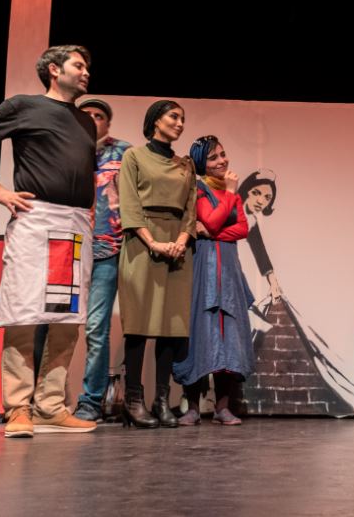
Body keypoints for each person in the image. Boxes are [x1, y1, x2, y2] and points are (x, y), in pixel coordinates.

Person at [0, 45, 98, 437]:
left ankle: (50, 406)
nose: (86, 71)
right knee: (24, 312)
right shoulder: (24, 106)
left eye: (87, 66)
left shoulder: (86, 122)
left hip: (74, 224)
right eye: (78, 65)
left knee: (67, 318)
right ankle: (17, 408)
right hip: (36, 219)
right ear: (54, 70)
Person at [117, 100, 197, 428]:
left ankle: (161, 399)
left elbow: (190, 209)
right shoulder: (134, 156)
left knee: (170, 325)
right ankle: (133, 400)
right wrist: (153, 242)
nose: (180, 123)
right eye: (173, 116)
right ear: (155, 121)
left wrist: (181, 240)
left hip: (177, 245)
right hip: (142, 241)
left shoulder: (185, 165)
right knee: (138, 323)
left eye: (182, 118)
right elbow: (129, 205)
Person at [174, 136, 255, 425]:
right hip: (203, 266)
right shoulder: (198, 189)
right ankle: (193, 407)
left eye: (223, 154)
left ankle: (222, 407)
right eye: (213, 157)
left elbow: (241, 229)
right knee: (199, 333)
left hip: (229, 269)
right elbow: (210, 219)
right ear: (201, 163)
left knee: (228, 334)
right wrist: (230, 194)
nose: (222, 161)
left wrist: (214, 232)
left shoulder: (231, 194)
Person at [73, 98, 131, 422]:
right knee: (57, 326)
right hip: (70, 248)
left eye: (99, 116)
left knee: (96, 327)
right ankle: (45, 400)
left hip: (107, 249)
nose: (93, 119)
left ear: (107, 123)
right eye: (88, 115)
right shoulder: (66, 148)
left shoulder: (123, 152)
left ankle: (91, 402)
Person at [238, 170, 282, 303]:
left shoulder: (251, 220)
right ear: (246, 190)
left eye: (267, 198)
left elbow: (260, 252)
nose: (260, 201)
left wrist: (273, 283)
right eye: (256, 193)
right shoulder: (230, 208)